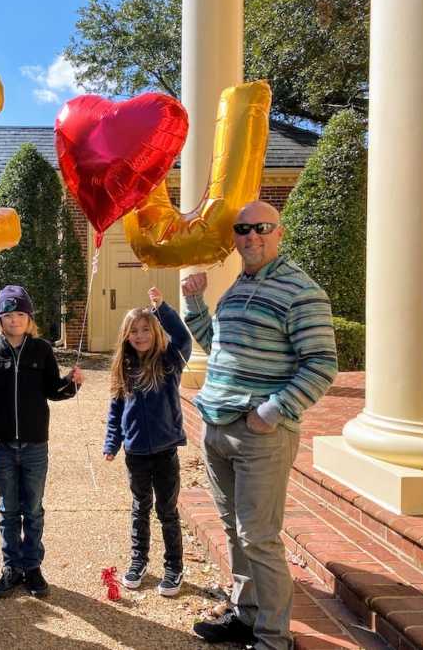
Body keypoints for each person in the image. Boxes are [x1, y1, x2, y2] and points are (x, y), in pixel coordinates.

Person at [183, 201, 337, 650]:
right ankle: (246, 616)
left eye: (261, 228)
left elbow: (322, 364)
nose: (251, 236)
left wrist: (272, 411)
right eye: (243, 229)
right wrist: (195, 303)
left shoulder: (301, 291)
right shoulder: (238, 287)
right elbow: (219, 345)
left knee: (259, 537)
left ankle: (274, 638)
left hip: (260, 434)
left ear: (279, 232)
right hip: (218, 426)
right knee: (233, 529)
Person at [0, 286, 83, 598]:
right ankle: (10, 566)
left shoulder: (41, 350)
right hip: (0, 446)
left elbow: (54, 390)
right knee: (8, 509)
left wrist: (72, 384)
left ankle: (32, 566)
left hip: (34, 445)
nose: (14, 320)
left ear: (29, 319)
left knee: (34, 508)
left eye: (20, 315)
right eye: (8, 315)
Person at [103, 287, 192, 597]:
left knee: (167, 511)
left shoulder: (168, 363)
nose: (140, 336)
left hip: (165, 451)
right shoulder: (124, 369)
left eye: (145, 330)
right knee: (140, 507)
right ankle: (139, 560)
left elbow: (183, 339)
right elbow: (115, 410)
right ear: (126, 336)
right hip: (136, 452)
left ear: (154, 332)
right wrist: (112, 443)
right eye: (134, 331)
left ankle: (174, 567)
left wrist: (162, 308)